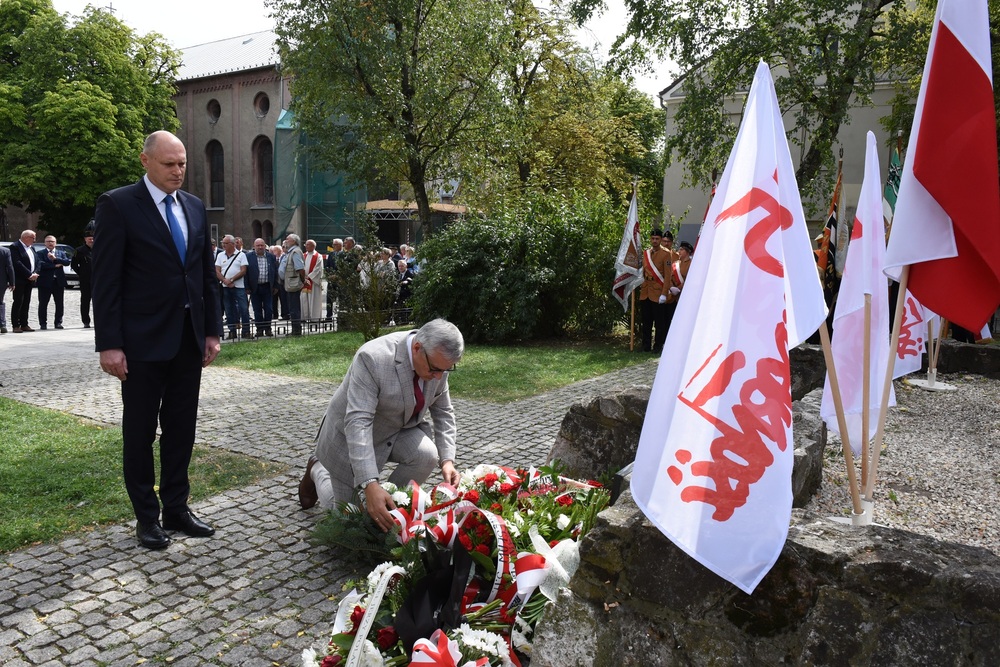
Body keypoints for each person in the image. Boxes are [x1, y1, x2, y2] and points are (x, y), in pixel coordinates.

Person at [92, 130, 223, 551]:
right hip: (141, 343)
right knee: (140, 431)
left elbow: (204, 275)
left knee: (181, 429)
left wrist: (211, 330)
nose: (178, 171)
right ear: (145, 160)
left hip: (187, 339)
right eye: (169, 164)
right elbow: (106, 280)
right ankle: (146, 517)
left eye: (182, 163)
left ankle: (177, 509)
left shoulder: (194, 206)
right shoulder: (118, 205)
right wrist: (109, 343)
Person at [298, 319, 464, 532]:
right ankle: (318, 469)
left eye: (447, 370)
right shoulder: (372, 358)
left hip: (396, 429)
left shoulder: (436, 360)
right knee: (350, 521)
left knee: (427, 455)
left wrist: (447, 461)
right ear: (417, 348)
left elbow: (443, 412)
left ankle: (389, 505)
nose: (439, 376)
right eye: (435, 369)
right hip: (350, 436)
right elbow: (358, 422)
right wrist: (370, 483)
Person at [638, 228, 674, 353]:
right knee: (646, 320)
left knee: (659, 322)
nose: (654, 241)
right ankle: (646, 345)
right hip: (646, 290)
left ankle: (658, 346)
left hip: (658, 291)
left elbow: (668, 276)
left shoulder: (666, 254)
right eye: (652, 238)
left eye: (657, 239)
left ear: (660, 240)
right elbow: (643, 271)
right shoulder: (646, 253)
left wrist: (664, 293)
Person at [215, 235, 251, 340]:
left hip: (239, 286)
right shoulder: (220, 255)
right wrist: (224, 280)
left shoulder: (241, 255)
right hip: (225, 287)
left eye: (225, 243)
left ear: (232, 244)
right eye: (222, 243)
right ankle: (232, 331)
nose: (223, 245)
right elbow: (216, 270)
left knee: (243, 309)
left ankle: (246, 331)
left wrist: (231, 280)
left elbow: (243, 271)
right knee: (229, 309)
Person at [35, 235, 70, 330]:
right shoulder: (40, 253)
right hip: (45, 282)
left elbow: (66, 262)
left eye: (52, 241)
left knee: (59, 303)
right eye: (48, 241)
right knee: (43, 303)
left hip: (58, 282)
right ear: (45, 243)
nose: (50, 243)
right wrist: (54, 266)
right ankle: (43, 323)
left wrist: (55, 259)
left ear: (55, 243)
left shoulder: (60, 253)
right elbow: (40, 264)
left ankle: (58, 322)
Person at [246, 238, 278, 337]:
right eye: (258, 245)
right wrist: (247, 287)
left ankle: (268, 328)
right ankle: (259, 329)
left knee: (269, 309)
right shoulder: (248, 256)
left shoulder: (271, 257)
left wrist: (276, 285)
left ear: (265, 246)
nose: (260, 247)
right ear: (254, 246)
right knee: (257, 310)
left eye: (262, 245)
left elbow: (275, 272)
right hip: (255, 287)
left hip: (268, 287)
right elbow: (246, 273)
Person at [10, 229, 39, 333]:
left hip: (30, 280)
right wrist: (29, 274)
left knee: (26, 302)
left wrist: (35, 273)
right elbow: (17, 263)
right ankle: (15, 325)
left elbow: (38, 261)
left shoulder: (32, 248)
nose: (34, 240)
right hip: (20, 279)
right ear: (26, 237)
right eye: (33, 238)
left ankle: (24, 324)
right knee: (18, 301)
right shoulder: (15, 246)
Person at [279, 233, 306, 335]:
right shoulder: (290, 251)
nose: (286, 241)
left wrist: (302, 281)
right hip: (289, 283)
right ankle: (295, 328)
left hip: (293, 284)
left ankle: (296, 330)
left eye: (288, 239)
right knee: (292, 307)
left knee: (294, 308)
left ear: (294, 241)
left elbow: (300, 269)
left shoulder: (295, 252)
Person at [72, 228, 95, 328]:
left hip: (98, 280)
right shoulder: (79, 250)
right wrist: (81, 273)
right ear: (85, 239)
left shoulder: (100, 248)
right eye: (89, 239)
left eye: (93, 239)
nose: (91, 240)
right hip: (85, 280)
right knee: (85, 301)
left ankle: (99, 320)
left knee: (99, 301)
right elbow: (74, 265)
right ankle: (86, 321)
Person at [301, 239, 325, 321]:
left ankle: (314, 318)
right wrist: (303, 277)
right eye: (306, 245)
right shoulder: (303, 255)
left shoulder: (318, 256)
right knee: (304, 299)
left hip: (314, 282)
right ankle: (304, 317)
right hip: (304, 281)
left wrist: (309, 277)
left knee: (313, 300)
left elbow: (318, 269)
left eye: (308, 245)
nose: (306, 246)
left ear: (313, 246)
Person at [0, 241, 13, 333]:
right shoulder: (5, 251)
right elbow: (9, 267)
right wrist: (12, 282)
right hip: (1, 281)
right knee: (0, 302)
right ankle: (2, 324)